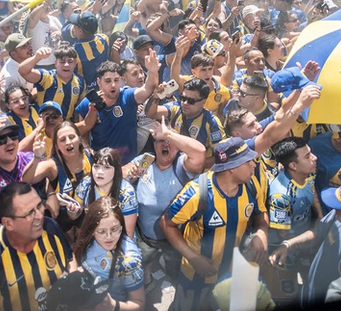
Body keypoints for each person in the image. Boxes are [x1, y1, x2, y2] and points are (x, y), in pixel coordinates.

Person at [161, 139, 268, 311]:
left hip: (232, 273)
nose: (253, 165)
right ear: (232, 168)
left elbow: (260, 213)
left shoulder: (251, 186)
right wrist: (194, 258)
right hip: (196, 276)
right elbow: (167, 223)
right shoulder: (197, 194)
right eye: (248, 161)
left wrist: (261, 233)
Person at [269, 181, 341, 308]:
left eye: (340, 208)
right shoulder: (338, 218)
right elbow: (318, 233)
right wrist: (289, 244)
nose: (334, 209)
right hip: (306, 296)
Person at [0, 182, 76, 311]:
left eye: (39, 205)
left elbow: (69, 257)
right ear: (8, 223)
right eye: (30, 213)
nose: (39, 216)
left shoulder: (50, 227)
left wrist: (72, 280)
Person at [125, 117, 206, 277]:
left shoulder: (183, 165)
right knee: (144, 263)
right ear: (154, 145)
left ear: (179, 147)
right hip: (145, 235)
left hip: (175, 237)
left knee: (174, 268)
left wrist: (168, 134)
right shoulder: (146, 161)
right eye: (160, 141)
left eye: (170, 141)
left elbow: (200, 153)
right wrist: (130, 173)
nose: (165, 145)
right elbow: (121, 172)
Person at [263, 137, 320, 304]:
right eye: (308, 156)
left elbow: (312, 191)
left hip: (306, 238)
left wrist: (320, 216)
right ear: (293, 166)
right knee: (287, 296)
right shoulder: (280, 194)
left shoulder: (309, 171)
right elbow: (283, 233)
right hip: (283, 248)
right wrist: (314, 234)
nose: (314, 158)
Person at [77, 56, 159, 163]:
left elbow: (147, 89)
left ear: (121, 80)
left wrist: (152, 71)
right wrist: (87, 147)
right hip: (102, 164)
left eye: (116, 80)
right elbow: (83, 132)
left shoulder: (127, 95)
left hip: (129, 164)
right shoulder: (87, 103)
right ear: (99, 82)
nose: (113, 85)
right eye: (107, 81)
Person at [75, 197, 145, 311]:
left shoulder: (129, 261)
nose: (109, 237)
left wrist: (113, 305)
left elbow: (139, 304)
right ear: (91, 230)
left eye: (115, 229)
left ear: (121, 227)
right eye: (101, 231)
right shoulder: (87, 241)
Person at [145, 77, 225, 165]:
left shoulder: (211, 122)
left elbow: (221, 156)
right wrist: (156, 96)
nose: (185, 103)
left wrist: (193, 163)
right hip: (172, 165)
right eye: (183, 98)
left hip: (197, 171)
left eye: (191, 101)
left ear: (203, 101)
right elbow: (151, 113)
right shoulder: (176, 108)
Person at [72, 148, 138, 238]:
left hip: (118, 241)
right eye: (96, 166)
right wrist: (72, 210)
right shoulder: (86, 183)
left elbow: (128, 234)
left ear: (116, 170)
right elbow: (75, 216)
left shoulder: (126, 194)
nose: (100, 172)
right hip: (92, 237)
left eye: (106, 167)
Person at [18, 44, 85, 121]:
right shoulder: (47, 77)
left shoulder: (80, 81)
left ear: (75, 63)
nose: (66, 65)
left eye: (70, 62)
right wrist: (36, 58)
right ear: (56, 63)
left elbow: (80, 108)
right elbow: (22, 71)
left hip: (66, 125)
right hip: (45, 124)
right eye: (62, 62)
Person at [69, 11, 114, 89]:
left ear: (80, 31)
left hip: (85, 91)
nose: (73, 26)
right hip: (105, 86)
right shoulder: (104, 39)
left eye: (75, 24)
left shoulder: (74, 51)